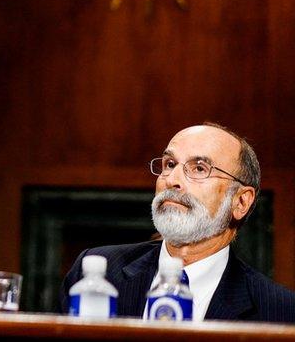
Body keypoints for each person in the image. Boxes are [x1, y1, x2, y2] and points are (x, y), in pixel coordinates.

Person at [59, 123, 295, 322]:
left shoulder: (279, 310)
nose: (172, 180)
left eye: (199, 168)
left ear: (241, 202)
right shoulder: (99, 274)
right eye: (169, 164)